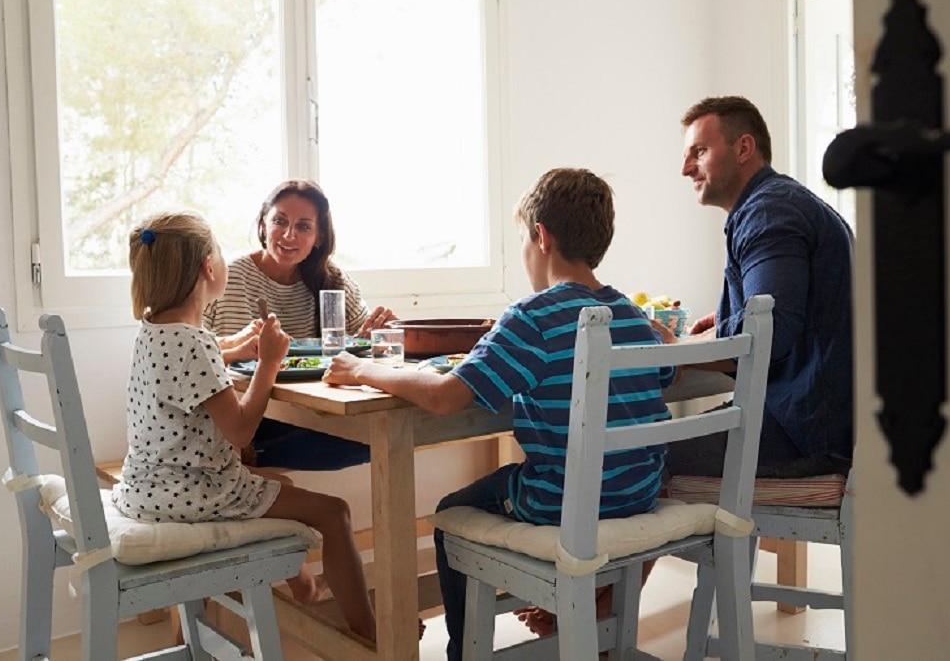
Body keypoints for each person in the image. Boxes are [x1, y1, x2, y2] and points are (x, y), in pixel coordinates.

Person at [322, 167, 676, 661]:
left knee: (450, 514)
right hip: (636, 493)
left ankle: (467, 654)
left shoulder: (533, 316)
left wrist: (363, 368)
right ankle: (577, 619)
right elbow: (663, 378)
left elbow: (445, 396)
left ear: (541, 236)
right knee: (527, 482)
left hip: (569, 503)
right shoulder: (635, 317)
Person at [112, 211, 377, 641]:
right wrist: (268, 363)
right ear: (208, 268)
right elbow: (240, 432)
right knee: (335, 512)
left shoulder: (157, 330)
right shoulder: (193, 343)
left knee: (279, 483)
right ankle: (371, 633)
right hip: (192, 492)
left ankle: (306, 586)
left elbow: (201, 357)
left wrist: (235, 347)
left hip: (147, 487)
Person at [671, 95, 854, 478]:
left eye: (699, 152)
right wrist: (724, 321)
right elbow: (786, 317)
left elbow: (768, 333)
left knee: (630, 462)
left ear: (743, 148)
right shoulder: (784, 203)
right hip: (820, 423)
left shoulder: (767, 212)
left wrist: (674, 350)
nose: (685, 168)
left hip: (803, 433)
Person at [204, 179, 392, 470]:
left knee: (383, 437)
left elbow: (363, 339)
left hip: (311, 414)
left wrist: (380, 333)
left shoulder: (332, 281)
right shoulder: (226, 276)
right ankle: (245, 457)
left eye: (304, 226)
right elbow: (187, 348)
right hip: (242, 418)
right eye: (280, 221)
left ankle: (252, 458)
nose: (289, 235)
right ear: (263, 225)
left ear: (319, 237)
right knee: (380, 441)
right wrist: (237, 344)